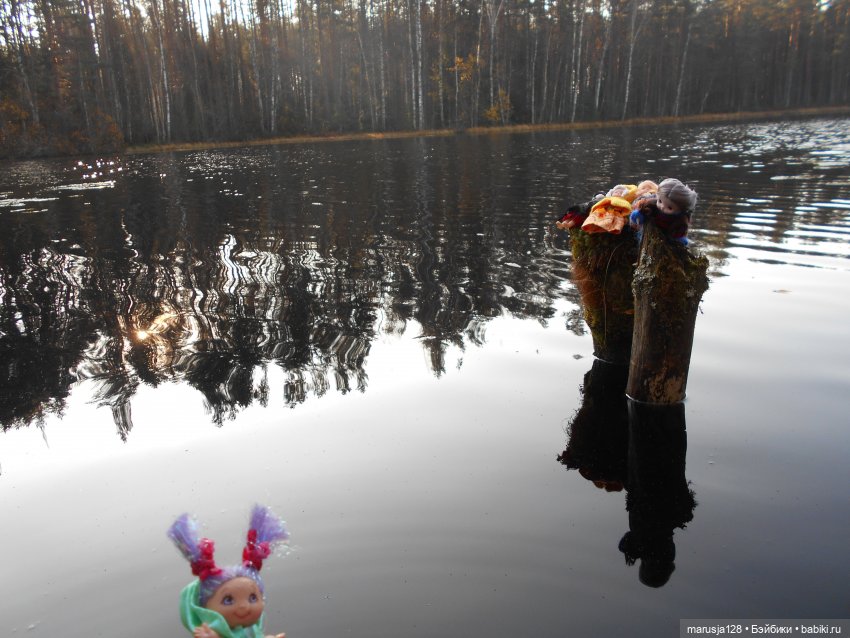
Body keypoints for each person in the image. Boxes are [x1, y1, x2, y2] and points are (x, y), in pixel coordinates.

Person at [168, 505, 290, 638]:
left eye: (253, 598)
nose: (244, 606)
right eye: (228, 600)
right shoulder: (219, 634)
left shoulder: (251, 630)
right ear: (206, 609)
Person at [629, 178, 697, 245]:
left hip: (667, 233)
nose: (662, 207)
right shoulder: (651, 205)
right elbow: (639, 213)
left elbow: (679, 230)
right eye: (660, 201)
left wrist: (678, 238)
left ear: (680, 210)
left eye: (670, 208)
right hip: (649, 231)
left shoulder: (679, 220)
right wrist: (638, 217)